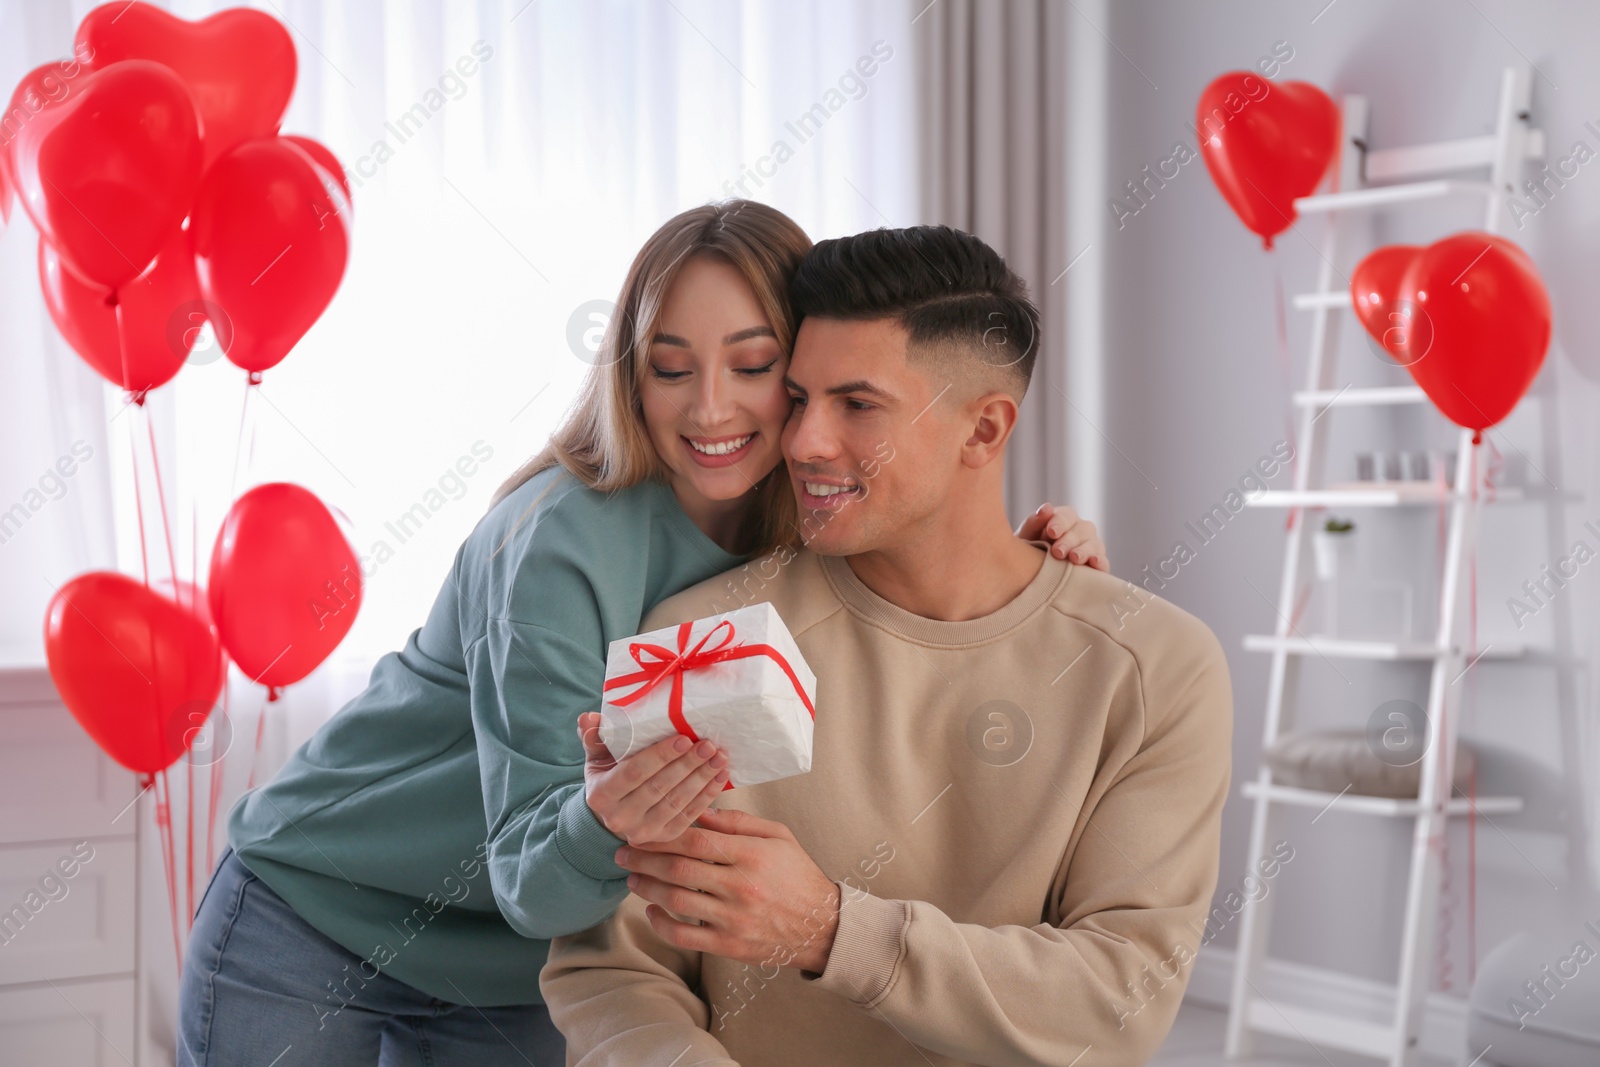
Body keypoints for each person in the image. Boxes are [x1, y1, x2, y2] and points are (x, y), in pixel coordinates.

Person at [176, 200, 1107, 1066]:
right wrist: (607, 815)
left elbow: (908, 592)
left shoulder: (805, 516)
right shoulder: (557, 546)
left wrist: (1025, 564)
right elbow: (530, 876)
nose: (710, 409)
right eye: (671, 367)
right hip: (320, 916)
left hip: (520, 973)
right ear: (631, 371)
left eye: (753, 366)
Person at [539, 225, 1234, 1067]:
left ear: (983, 432)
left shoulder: (1158, 667)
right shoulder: (694, 642)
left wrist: (832, 929)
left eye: (856, 405)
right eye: (797, 399)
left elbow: (1118, 1000)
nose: (801, 442)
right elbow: (616, 974)